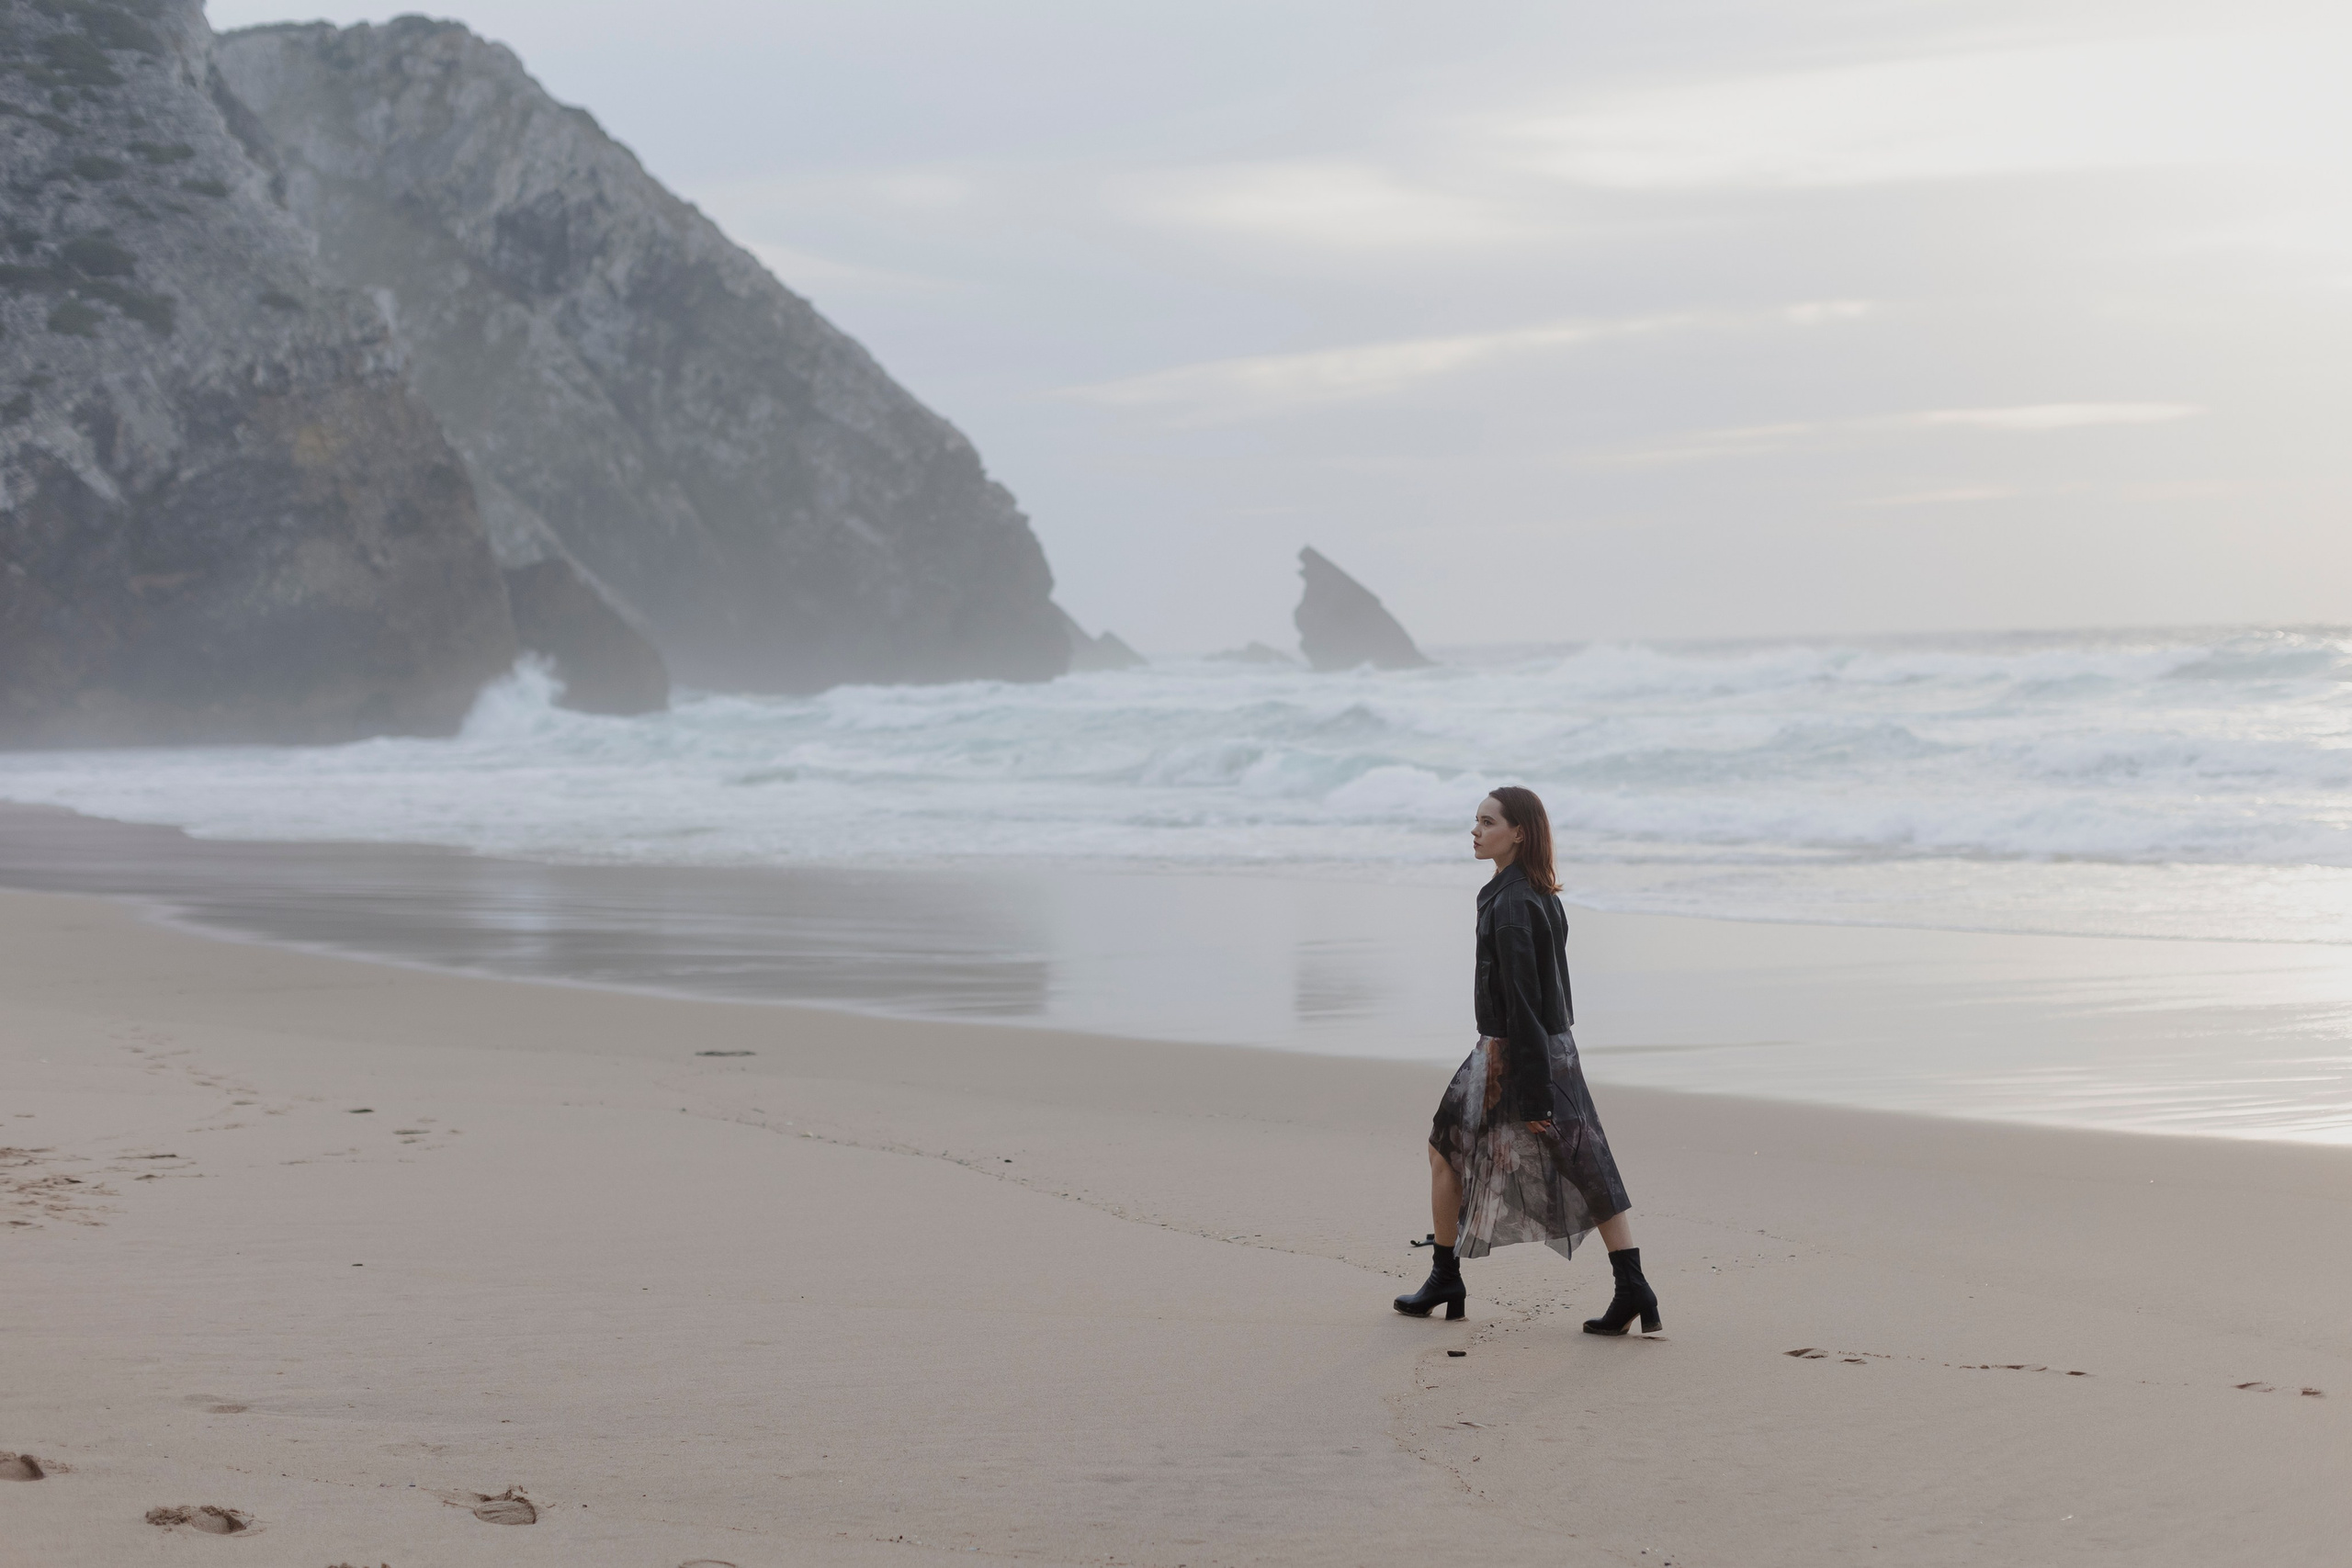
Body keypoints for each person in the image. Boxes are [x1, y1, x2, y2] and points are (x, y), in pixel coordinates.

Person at [1393, 786, 1659, 1335]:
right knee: (1583, 1164)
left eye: (1488, 822)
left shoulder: (1512, 902)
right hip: (1545, 1047)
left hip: (1514, 1049)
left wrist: (1530, 1088)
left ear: (1519, 833)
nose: (1475, 831)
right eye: (1476, 821)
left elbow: (1523, 1001)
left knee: (1459, 1151)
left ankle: (1448, 1276)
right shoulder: (1527, 891)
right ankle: (1631, 1286)